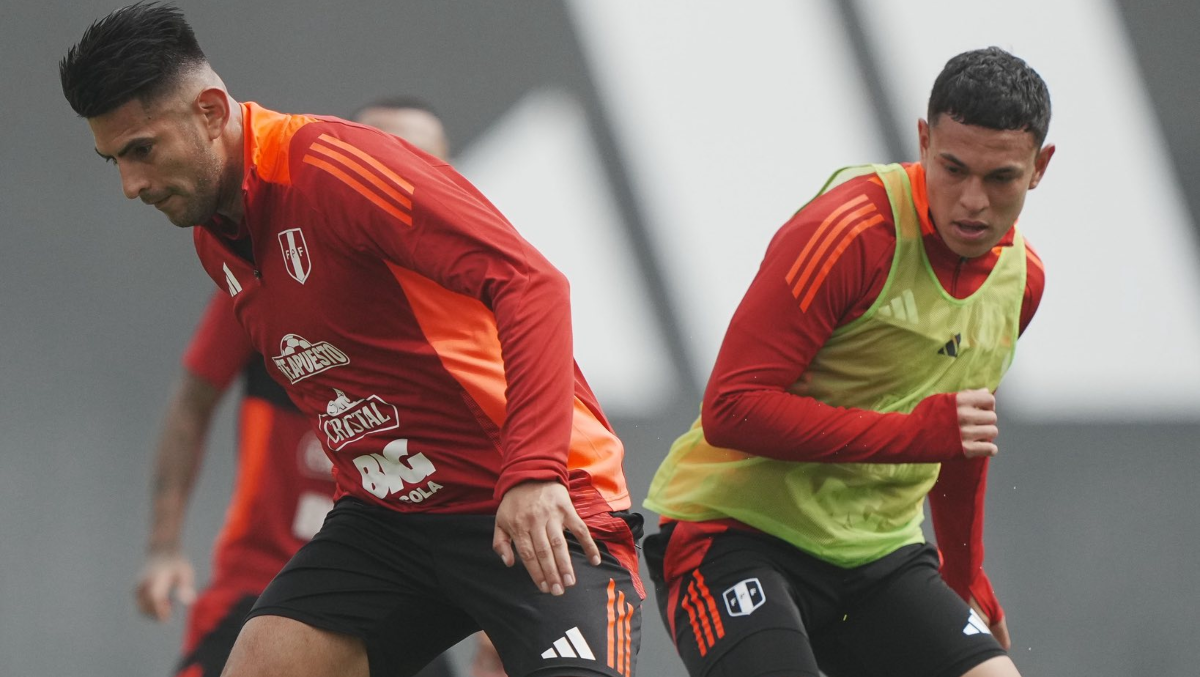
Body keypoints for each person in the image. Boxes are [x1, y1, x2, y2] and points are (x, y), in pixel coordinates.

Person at [61, 5, 642, 677]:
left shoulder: (334, 168)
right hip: (389, 522)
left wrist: (536, 470)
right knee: (263, 662)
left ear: (212, 111)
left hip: (535, 499)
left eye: (142, 150)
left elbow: (532, 283)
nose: (131, 185)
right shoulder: (215, 241)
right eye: (114, 162)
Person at [642, 46, 1053, 677]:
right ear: (923, 141)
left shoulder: (1021, 281)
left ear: (1039, 168)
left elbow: (959, 436)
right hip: (734, 537)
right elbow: (730, 409)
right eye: (953, 168)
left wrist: (962, 573)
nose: (973, 201)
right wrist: (911, 436)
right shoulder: (850, 231)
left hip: (880, 554)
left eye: (1000, 178)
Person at [134, 100, 460, 677]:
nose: (387, 172)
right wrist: (164, 545)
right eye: (372, 152)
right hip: (263, 591)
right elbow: (192, 401)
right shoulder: (267, 273)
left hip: (401, 599)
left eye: (413, 160)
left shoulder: (462, 306)